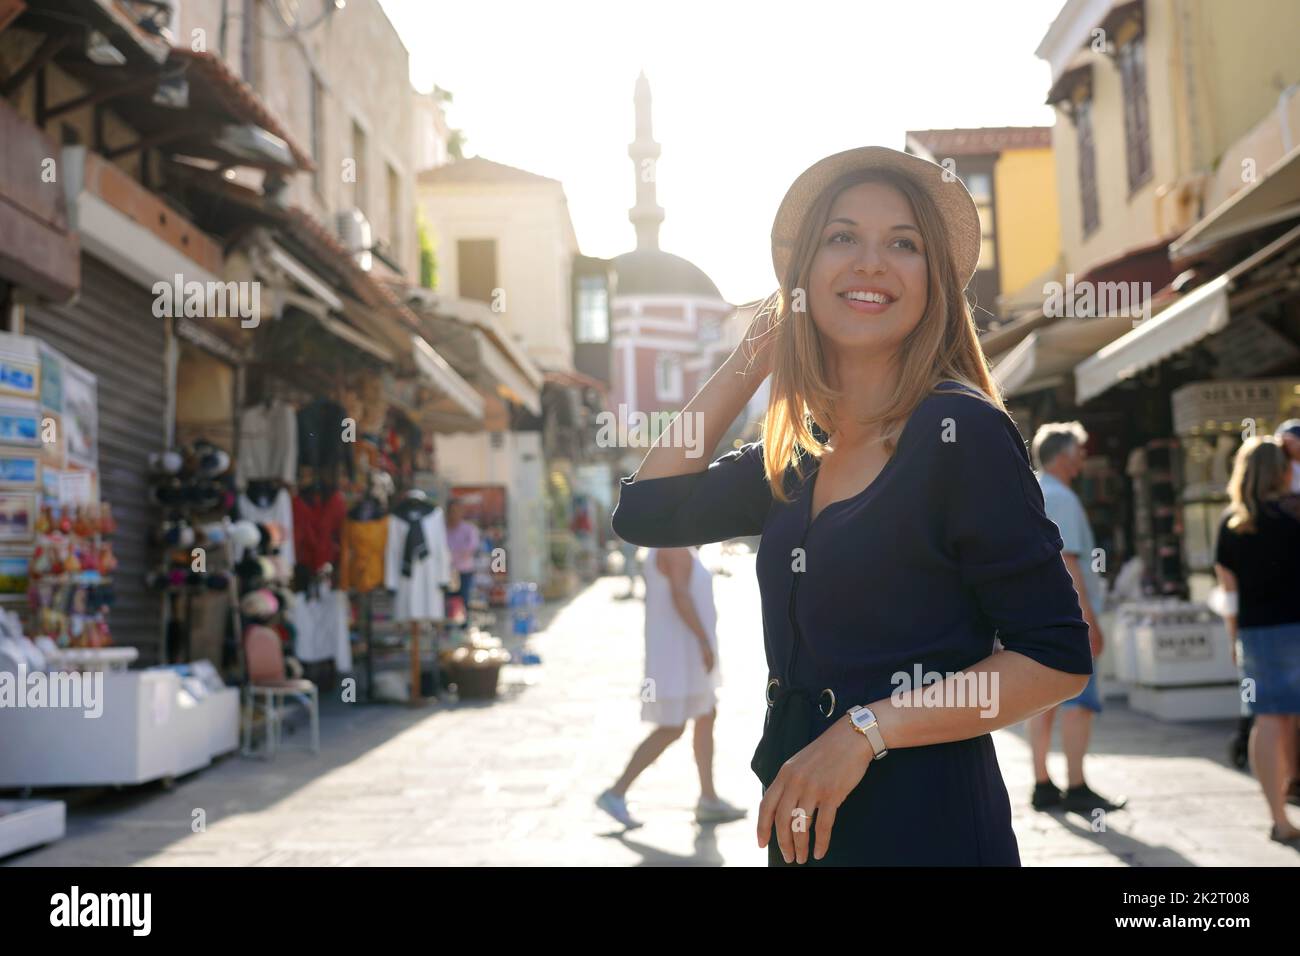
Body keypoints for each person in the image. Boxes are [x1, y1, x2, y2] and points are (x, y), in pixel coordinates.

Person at [611, 146, 1092, 866]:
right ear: (801, 276)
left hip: (931, 832)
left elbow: (1057, 658)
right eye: (842, 238)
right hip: (805, 834)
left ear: (934, 282)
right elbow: (647, 510)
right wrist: (753, 356)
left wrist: (865, 730)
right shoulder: (800, 452)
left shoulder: (962, 434)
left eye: (904, 244)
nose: (871, 262)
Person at [596, 547, 747, 827]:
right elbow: (680, 595)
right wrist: (703, 640)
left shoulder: (670, 545)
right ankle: (616, 792)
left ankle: (708, 798)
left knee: (706, 714)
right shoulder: (672, 546)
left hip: (681, 650)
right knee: (672, 726)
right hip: (680, 651)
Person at [1028, 422, 1128, 816]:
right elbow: (1068, 560)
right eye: (1081, 451)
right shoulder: (1063, 497)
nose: (1084, 458)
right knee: (1079, 702)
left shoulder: (1033, 489)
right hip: (1068, 617)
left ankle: (1042, 784)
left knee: (1043, 703)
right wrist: (1088, 619)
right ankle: (1077, 784)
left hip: (1036, 614)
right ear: (1066, 456)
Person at [1213, 436, 1300, 845]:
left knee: (1269, 719)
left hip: (1257, 632)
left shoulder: (1232, 524)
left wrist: (1234, 640)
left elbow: (1228, 595)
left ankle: (1279, 818)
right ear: (1282, 471)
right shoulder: (1296, 513)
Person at [444, 499, 480, 614]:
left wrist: (453, 554)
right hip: (447, 572)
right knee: (448, 601)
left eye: (457, 511)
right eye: (452, 511)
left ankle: (464, 626)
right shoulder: (442, 529)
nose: (454, 514)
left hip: (464, 571)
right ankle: (448, 627)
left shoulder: (469, 529)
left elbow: (471, 548)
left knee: (464, 600)